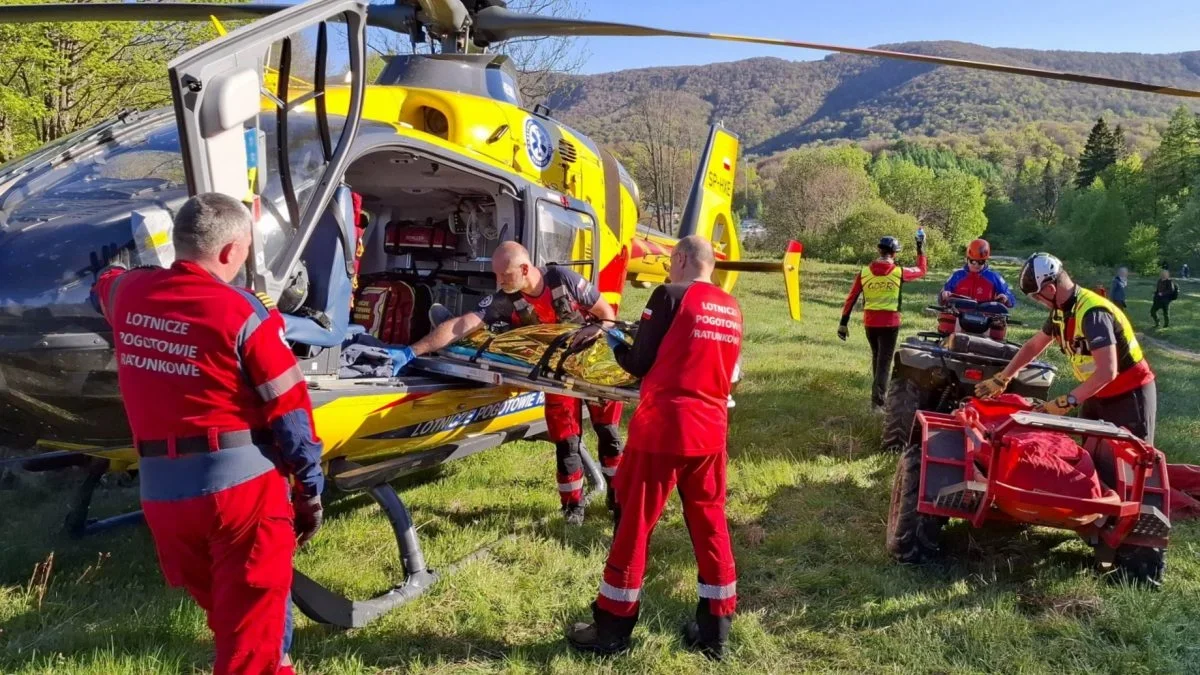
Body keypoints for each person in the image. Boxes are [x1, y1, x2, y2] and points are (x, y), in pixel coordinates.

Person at [90, 193, 324, 675]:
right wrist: (310, 492)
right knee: (247, 646)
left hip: (164, 498)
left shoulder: (128, 293)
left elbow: (104, 282)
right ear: (229, 252)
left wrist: (117, 261)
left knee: (234, 621)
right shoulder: (244, 313)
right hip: (240, 497)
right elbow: (292, 415)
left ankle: (279, 658)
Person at [565, 236, 742, 660]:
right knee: (710, 523)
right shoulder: (731, 307)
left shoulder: (669, 294)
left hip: (664, 429)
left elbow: (638, 362)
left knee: (634, 525)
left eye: (668, 262)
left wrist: (608, 337)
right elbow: (730, 373)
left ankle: (611, 629)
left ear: (680, 259)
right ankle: (715, 630)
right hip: (711, 430)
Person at [396, 241, 624, 525]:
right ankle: (572, 510)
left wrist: (594, 328)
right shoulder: (505, 299)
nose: (498, 282)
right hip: (555, 377)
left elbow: (607, 315)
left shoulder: (564, 281)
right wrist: (414, 350)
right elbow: (462, 324)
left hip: (594, 368)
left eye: (504, 275)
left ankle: (619, 500)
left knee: (609, 437)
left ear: (525, 269)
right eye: (496, 276)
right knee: (567, 443)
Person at [975, 252, 1157, 443]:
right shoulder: (1061, 311)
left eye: (1038, 297)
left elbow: (1107, 372)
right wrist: (1004, 377)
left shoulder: (1093, 314)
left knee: (1130, 462)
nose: (1040, 302)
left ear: (1051, 289)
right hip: (1096, 392)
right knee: (1091, 456)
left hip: (1129, 396)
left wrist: (1067, 401)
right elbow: (1034, 346)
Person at [838, 230, 928, 412]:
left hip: (870, 323)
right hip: (890, 324)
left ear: (879, 251)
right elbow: (922, 270)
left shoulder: (864, 273)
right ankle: (878, 404)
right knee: (884, 363)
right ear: (894, 253)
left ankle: (877, 397)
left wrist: (843, 323)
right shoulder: (898, 272)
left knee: (877, 358)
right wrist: (920, 247)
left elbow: (851, 298)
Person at [938, 238, 1015, 307]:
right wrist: (944, 295)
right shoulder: (957, 275)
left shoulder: (994, 277)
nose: (976, 265)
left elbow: (1011, 299)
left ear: (986, 260)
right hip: (959, 314)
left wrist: (1006, 298)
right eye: (973, 261)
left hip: (986, 317)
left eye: (981, 262)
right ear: (967, 259)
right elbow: (941, 298)